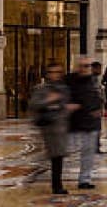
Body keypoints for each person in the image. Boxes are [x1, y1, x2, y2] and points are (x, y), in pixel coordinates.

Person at [30, 62, 73, 195]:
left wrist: (65, 109)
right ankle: (57, 186)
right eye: (52, 72)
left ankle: (54, 183)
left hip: (61, 127)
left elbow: (65, 104)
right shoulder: (42, 89)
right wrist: (48, 100)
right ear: (47, 74)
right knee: (56, 156)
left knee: (57, 156)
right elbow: (33, 104)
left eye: (57, 72)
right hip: (49, 128)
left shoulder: (63, 88)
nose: (55, 75)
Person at [66, 57, 102, 189]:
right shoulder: (70, 80)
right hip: (74, 123)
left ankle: (84, 180)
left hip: (90, 124)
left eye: (88, 66)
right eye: (83, 66)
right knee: (66, 151)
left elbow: (96, 98)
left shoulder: (92, 81)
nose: (86, 68)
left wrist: (97, 109)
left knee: (88, 153)